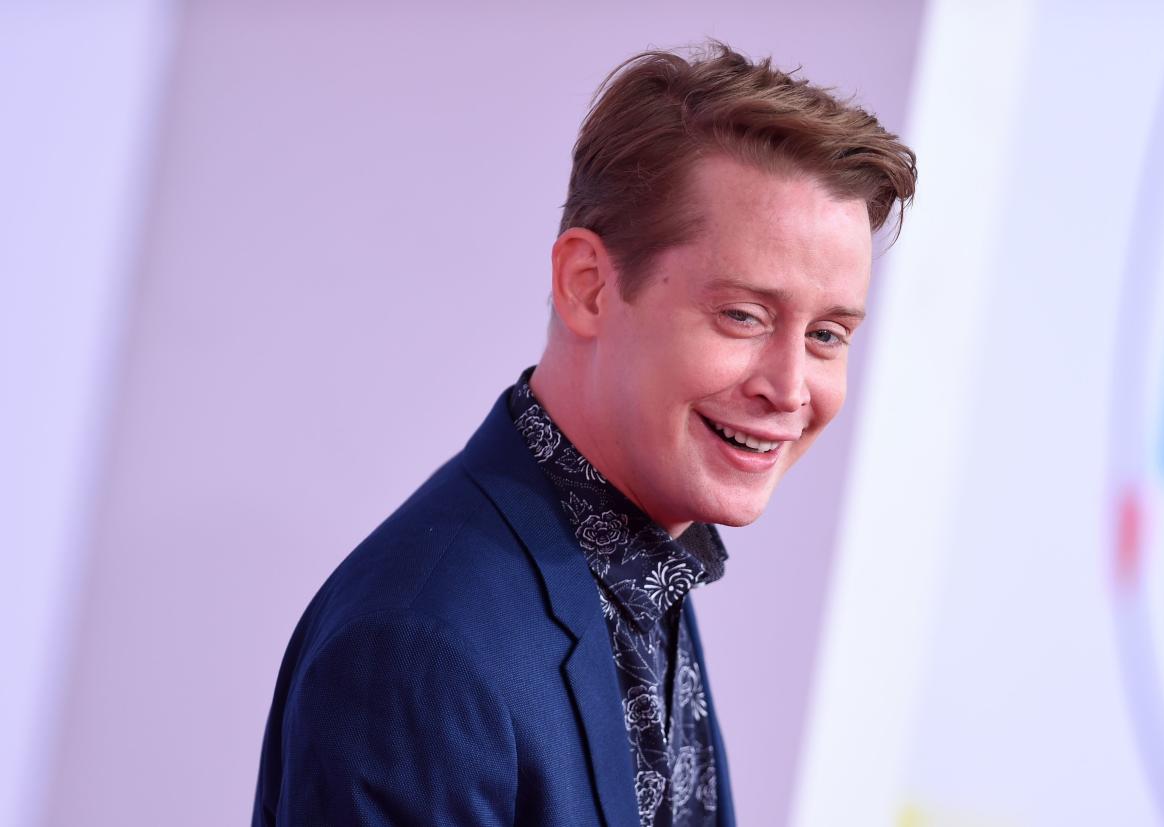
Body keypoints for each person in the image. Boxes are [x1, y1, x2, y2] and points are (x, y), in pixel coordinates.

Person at [251, 41, 915, 827]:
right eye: (744, 315)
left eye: (827, 335)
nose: (790, 386)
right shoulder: (420, 649)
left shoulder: (638, 560)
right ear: (588, 286)